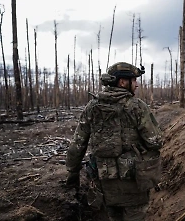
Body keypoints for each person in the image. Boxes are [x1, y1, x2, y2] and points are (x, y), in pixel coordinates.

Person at [65, 62, 163, 221]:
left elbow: (78, 143)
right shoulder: (137, 106)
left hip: (104, 183)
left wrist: (72, 173)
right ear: (122, 82)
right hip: (134, 185)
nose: (136, 84)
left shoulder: (92, 107)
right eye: (133, 80)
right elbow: (155, 141)